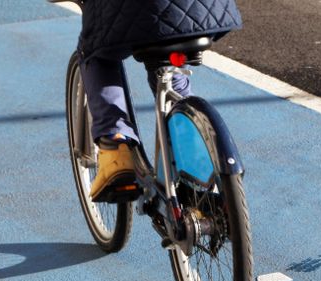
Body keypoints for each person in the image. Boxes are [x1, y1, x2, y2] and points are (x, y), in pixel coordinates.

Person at [78, 0, 243, 202]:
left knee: (95, 51)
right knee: (168, 48)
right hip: (207, 11)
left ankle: (114, 145)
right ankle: (190, 139)